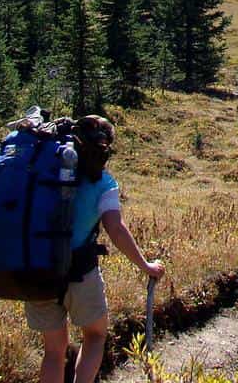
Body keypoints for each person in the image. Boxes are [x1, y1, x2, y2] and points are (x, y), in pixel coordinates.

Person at [26, 115, 165, 383]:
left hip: (39, 270)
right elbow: (116, 229)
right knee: (95, 336)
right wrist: (146, 266)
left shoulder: (44, 173)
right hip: (81, 273)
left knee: (53, 352)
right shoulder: (104, 184)